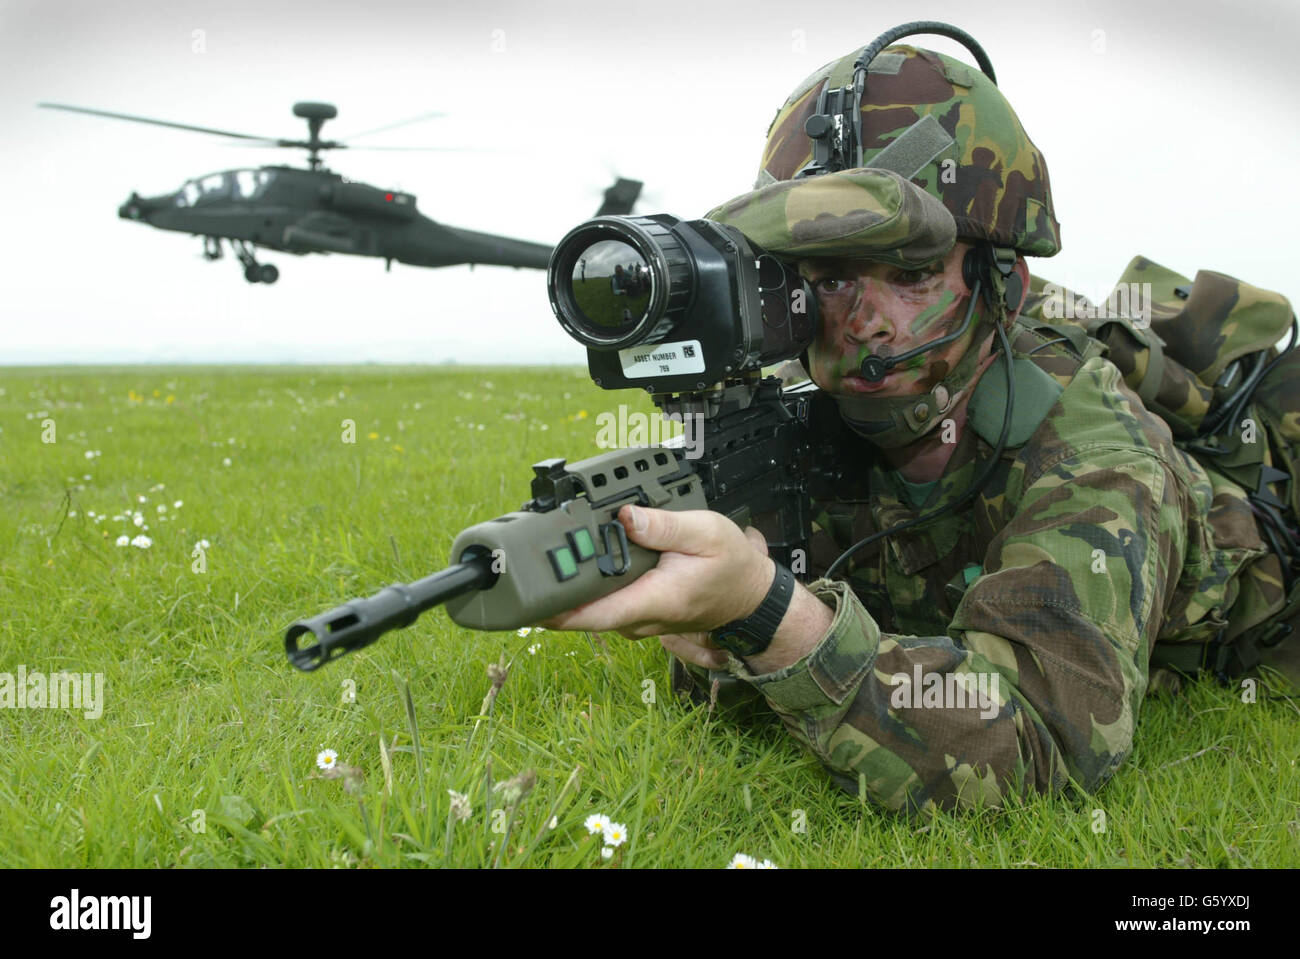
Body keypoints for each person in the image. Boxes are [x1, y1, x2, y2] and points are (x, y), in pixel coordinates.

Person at [543, 29, 1300, 814]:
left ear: (1003, 281)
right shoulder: (799, 423)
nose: (866, 323)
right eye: (829, 279)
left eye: (910, 276)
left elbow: (1042, 745)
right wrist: (717, 622)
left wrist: (771, 616)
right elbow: (741, 697)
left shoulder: (1095, 446)